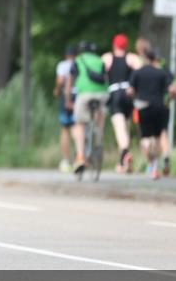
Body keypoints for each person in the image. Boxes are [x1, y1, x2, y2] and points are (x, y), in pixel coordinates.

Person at [129, 49, 176, 180]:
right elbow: (173, 90)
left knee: (145, 137)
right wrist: (169, 99)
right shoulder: (161, 73)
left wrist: (135, 97)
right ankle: (156, 166)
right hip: (160, 106)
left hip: (143, 106)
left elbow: (130, 91)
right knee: (157, 136)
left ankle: (150, 163)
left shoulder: (137, 72)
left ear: (144, 58)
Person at [64, 41, 109, 175]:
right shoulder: (100, 60)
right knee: (99, 115)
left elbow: (69, 82)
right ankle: (99, 136)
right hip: (102, 94)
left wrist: (68, 100)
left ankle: (80, 157)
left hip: (85, 93)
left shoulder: (78, 60)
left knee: (79, 123)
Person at [102, 33, 142, 173]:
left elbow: (100, 72)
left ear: (114, 45)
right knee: (126, 127)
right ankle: (124, 163)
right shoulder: (132, 58)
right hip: (129, 94)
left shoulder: (108, 58)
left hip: (115, 94)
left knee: (119, 128)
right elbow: (141, 72)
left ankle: (125, 153)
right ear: (126, 45)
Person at [53, 44, 77, 172]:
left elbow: (61, 80)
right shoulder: (79, 64)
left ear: (66, 55)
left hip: (66, 96)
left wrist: (57, 90)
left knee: (65, 129)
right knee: (77, 127)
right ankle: (80, 156)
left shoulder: (62, 65)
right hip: (78, 95)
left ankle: (67, 161)